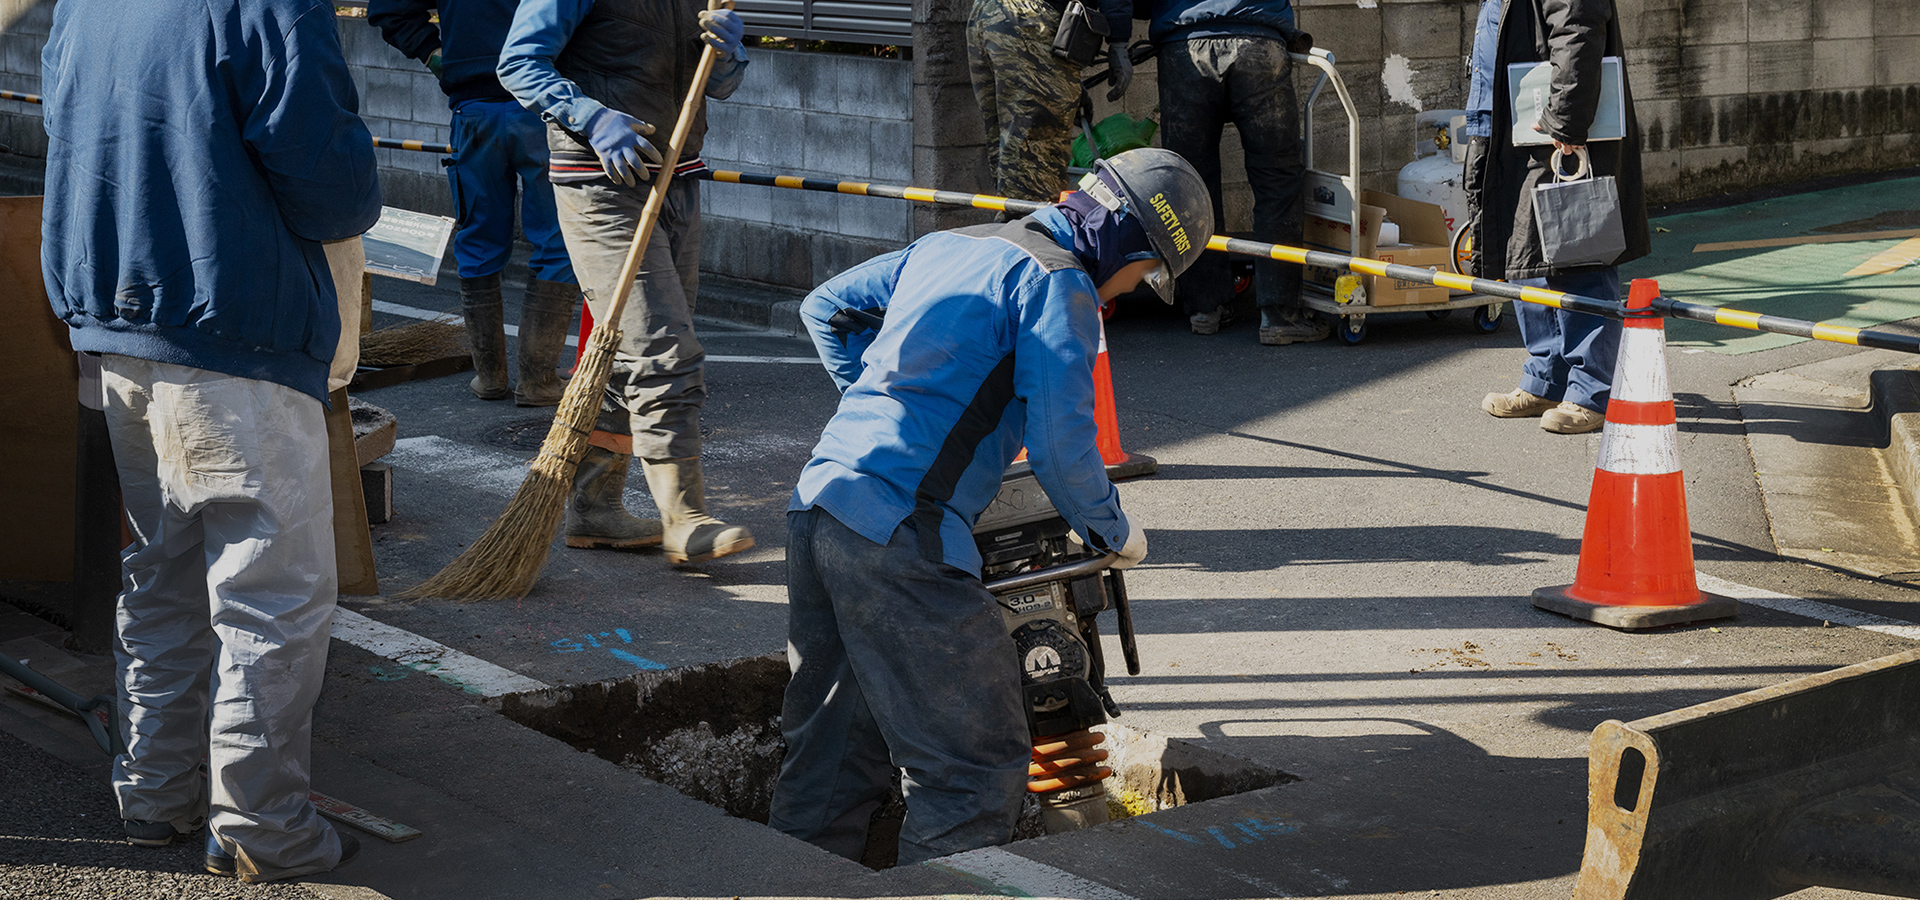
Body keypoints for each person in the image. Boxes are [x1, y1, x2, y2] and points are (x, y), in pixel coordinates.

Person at [768, 149, 1211, 864]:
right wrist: (1115, 529)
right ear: (1125, 236)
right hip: (903, 534)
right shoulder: (1060, 285)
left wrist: (880, 411)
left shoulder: (957, 241)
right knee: (972, 771)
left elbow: (825, 306)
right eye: (1145, 270)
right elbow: (1064, 448)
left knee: (831, 759)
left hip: (819, 507)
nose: (1129, 290)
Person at [40, 0, 381, 882]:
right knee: (272, 595)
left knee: (164, 571)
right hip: (234, 329)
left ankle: (154, 792)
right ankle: (262, 827)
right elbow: (332, 183)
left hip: (116, 323)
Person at [496, 0, 757, 562]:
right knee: (663, 346)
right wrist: (591, 117)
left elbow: (719, 87)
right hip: (602, 184)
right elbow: (519, 63)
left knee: (629, 351)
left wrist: (730, 53)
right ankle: (683, 518)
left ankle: (595, 507)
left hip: (677, 179)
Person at [369, 0, 582, 407]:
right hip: (545, 105)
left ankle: (490, 378)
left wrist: (435, 56)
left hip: (474, 110)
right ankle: (538, 380)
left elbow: (388, 7)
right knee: (556, 242)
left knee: (479, 241)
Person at [1467, 0, 1648, 435]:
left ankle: (1591, 391)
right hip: (1512, 116)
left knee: (1578, 251)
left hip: (1551, 124)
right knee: (1527, 256)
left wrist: (1565, 120)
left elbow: (1578, 26)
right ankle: (1546, 379)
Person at [1132, 0, 1319, 343]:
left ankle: (1206, 306)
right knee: (1277, 178)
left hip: (1184, 46)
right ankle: (1280, 315)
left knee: (1188, 181)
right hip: (1258, 42)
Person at [967, 0, 1134, 206]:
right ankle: (1028, 231)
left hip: (988, 13)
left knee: (1010, 161)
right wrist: (1119, 42)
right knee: (1035, 169)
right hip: (1032, 19)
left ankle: (1014, 225)